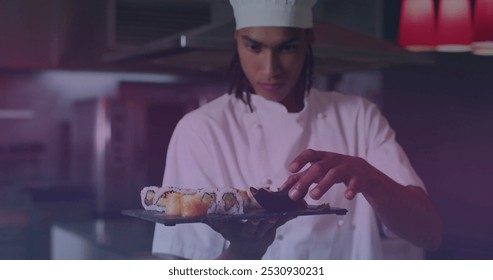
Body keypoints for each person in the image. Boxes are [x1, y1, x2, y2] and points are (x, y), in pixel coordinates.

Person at [152, 0, 442, 259]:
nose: (270, 69)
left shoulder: (358, 117)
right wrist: (243, 252)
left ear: (308, 39)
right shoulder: (202, 130)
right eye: (254, 47)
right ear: (236, 40)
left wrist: (369, 177)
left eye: (287, 47)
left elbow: (428, 233)